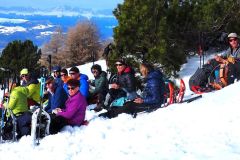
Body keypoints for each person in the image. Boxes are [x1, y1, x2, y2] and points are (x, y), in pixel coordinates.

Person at [99, 63, 165, 118]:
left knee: (129, 106)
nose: (141, 72)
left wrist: (143, 100)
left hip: (154, 104)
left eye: (141, 70)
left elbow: (156, 98)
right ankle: (113, 111)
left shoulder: (153, 80)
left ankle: (110, 114)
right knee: (129, 103)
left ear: (146, 70)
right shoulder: (152, 78)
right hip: (149, 100)